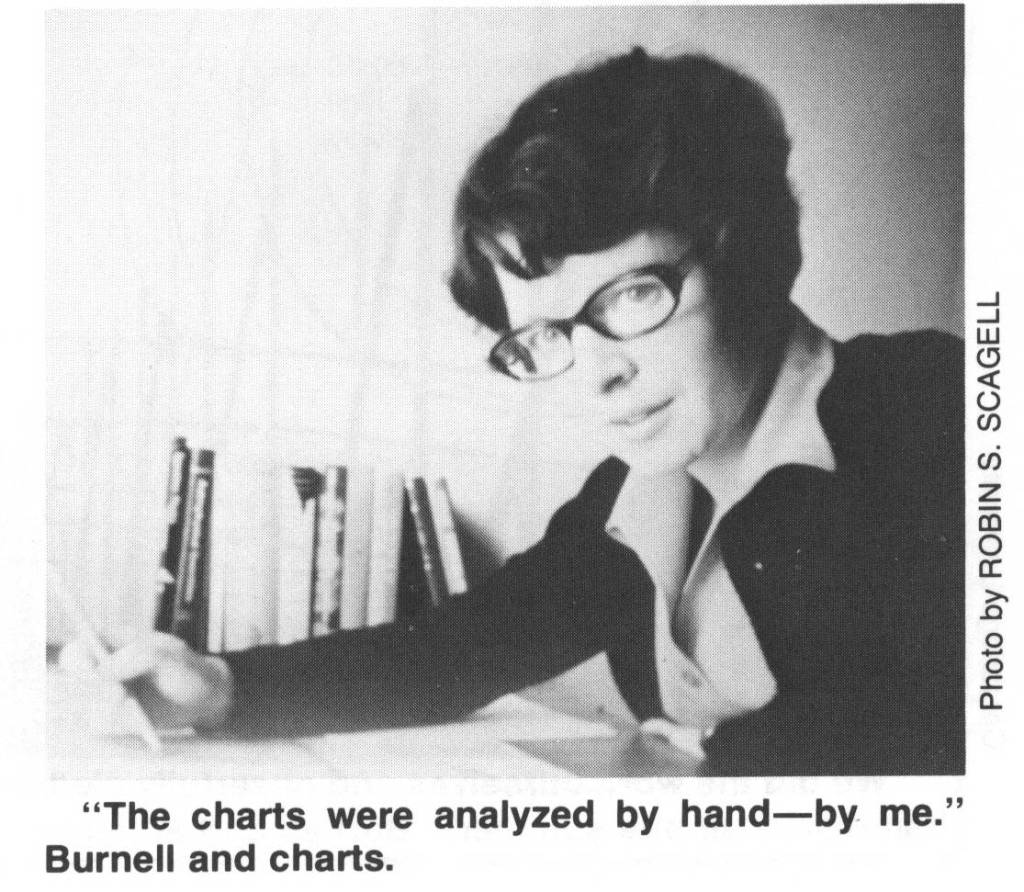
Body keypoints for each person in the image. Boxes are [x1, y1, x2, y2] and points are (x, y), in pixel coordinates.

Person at [62, 49, 964, 775]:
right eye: (550, 335)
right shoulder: (635, 493)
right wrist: (220, 686)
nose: (599, 376)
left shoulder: (931, 406)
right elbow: (456, 651)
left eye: (630, 297)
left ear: (746, 254)